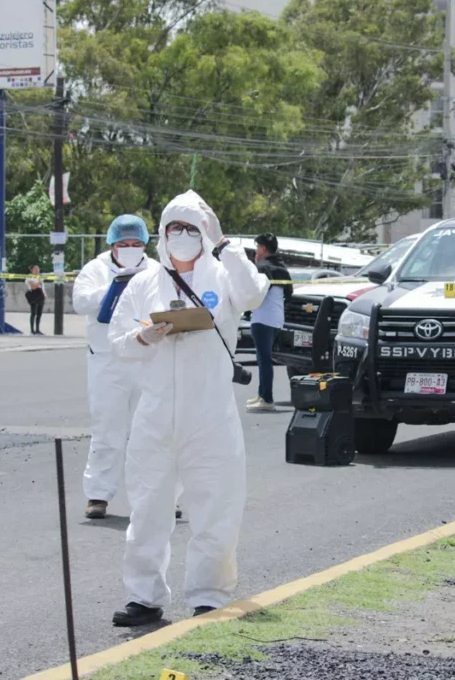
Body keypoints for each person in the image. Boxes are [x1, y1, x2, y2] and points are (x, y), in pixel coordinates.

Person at [107, 190, 269, 627]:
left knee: (215, 506)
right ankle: (143, 596)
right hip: (155, 416)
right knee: (147, 509)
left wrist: (225, 245)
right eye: (173, 228)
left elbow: (254, 294)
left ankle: (209, 594)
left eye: (190, 228)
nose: (181, 235)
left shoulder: (224, 274)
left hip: (210, 414)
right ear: (161, 234)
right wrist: (145, 337)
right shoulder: (143, 283)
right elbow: (117, 341)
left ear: (205, 232)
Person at [72, 215, 160, 520]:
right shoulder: (95, 269)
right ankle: (98, 495)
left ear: (145, 243)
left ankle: (156, 496)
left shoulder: (157, 270)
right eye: (124, 244)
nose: (130, 248)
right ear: (112, 243)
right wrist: (115, 285)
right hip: (106, 361)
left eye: (136, 243)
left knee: (151, 430)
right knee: (107, 429)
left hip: (145, 357)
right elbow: (81, 302)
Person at [246, 233, 292, 413]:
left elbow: (256, 292)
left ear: (263, 249)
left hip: (262, 319)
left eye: (257, 247)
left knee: (263, 359)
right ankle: (261, 394)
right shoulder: (282, 268)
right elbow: (289, 295)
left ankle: (267, 398)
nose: (256, 251)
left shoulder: (262, 267)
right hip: (276, 319)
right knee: (263, 358)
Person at [25, 265, 46, 335]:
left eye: (38, 268)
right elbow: (33, 287)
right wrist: (39, 282)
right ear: (32, 270)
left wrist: (44, 294)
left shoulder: (40, 277)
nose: (37, 270)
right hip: (34, 296)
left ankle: (37, 329)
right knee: (33, 313)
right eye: (35, 269)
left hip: (41, 296)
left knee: (39, 314)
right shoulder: (29, 277)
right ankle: (32, 330)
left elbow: (42, 287)